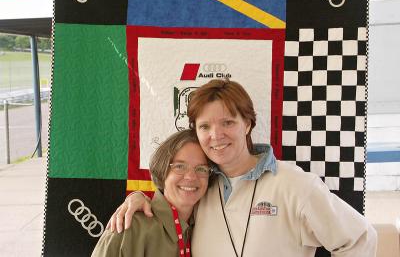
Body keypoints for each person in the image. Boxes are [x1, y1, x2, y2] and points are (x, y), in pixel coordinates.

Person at [108, 79, 377, 256]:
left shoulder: (294, 184)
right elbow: (170, 206)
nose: (216, 135)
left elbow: (361, 239)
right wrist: (138, 198)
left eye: (227, 122)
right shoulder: (201, 187)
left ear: (247, 124)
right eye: (205, 126)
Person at [92, 129, 210, 257]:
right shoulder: (129, 227)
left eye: (201, 169)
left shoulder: (206, 227)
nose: (191, 177)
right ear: (162, 170)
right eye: (179, 166)